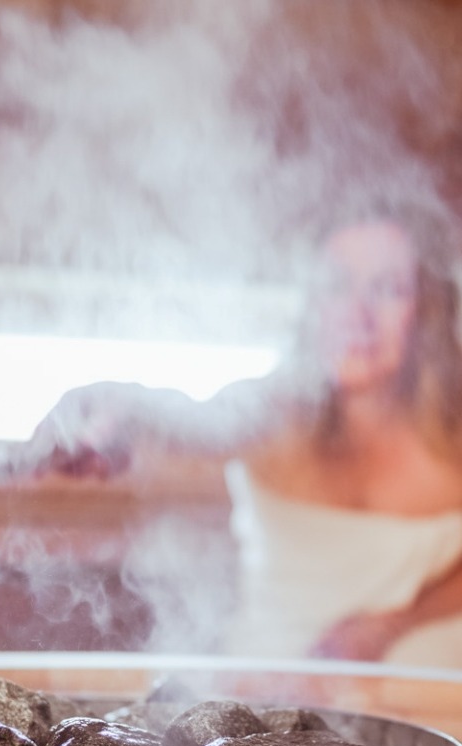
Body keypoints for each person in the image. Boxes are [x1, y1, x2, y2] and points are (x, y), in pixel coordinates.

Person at [25, 204, 462, 665]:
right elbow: (181, 420)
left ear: (429, 310)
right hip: (274, 700)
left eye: (388, 290)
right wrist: (107, 405)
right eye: (336, 286)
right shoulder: (277, 412)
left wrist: (389, 627)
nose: (357, 314)